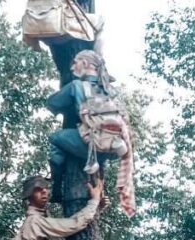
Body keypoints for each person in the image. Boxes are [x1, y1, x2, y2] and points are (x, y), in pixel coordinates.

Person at [47, 50, 135, 216]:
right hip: (113, 148)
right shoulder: (112, 92)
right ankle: (99, 178)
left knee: (55, 138)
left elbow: (52, 103)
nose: (73, 67)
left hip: (90, 142)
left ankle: (56, 186)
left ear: (85, 64)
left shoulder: (77, 86)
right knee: (102, 148)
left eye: (76, 62)